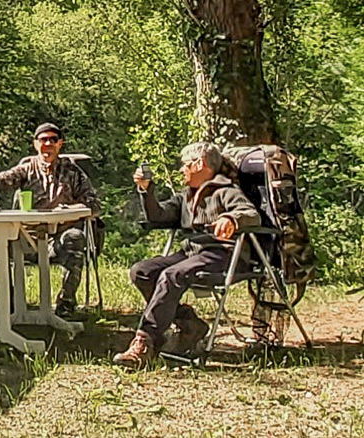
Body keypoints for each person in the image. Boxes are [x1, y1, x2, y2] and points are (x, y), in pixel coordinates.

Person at [112, 141, 262, 367]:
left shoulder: (226, 190)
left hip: (223, 255)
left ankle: (145, 343)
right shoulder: (186, 196)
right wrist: (146, 189)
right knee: (141, 271)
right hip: (191, 254)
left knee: (172, 275)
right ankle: (189, 324)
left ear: (199, 164)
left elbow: (251, 214)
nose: (181, 170)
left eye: (184, 165)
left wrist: (231, 219)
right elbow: (158, 216)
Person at [0, 122, 100, 318]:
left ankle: (65, 305)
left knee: (76, 237)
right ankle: (10, 304)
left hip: (58, 239)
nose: (48, 144)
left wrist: (70, 209)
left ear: (60, 144)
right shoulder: (26, 169)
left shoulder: (73, 172)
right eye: (43, 140)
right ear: (36, 144)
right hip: (26, 239)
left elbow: (94, 205)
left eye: (53, 140)